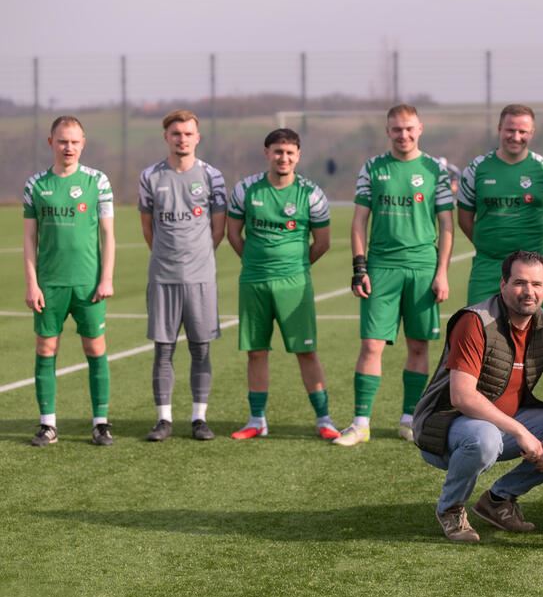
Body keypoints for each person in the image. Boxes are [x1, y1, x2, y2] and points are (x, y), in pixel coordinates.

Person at [413, 250, 543, 542]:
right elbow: (462, 396)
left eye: (537, 284)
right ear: (502, 284)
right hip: (447, 425)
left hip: (504, 422)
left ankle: (499, 500)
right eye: (520, 283)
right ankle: (450, 509)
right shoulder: (476, 321)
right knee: (484, 438)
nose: (529, 292)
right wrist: (519, 430)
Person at [337, 104, 455, 446]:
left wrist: (442, 272)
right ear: (387, 131)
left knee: (418, 346)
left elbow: (446, 225)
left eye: (409, 129)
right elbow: (359, 220)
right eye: (396, 129)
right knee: (371, 344)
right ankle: (361, 423)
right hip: (382, 267)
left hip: (422, 267)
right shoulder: (373, 168)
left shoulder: (434, 170)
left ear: (420, 129)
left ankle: (409, 419)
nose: (403, 135)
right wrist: (360, 266)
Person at [226, 128, 338, 441]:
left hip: (294, 283)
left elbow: (323, 242)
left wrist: (296, 265)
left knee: (307, 352)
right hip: (254, 282)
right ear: (267, 153)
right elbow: (233, 235)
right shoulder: (246, 189)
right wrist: (254, 262)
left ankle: (324, 419)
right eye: (277, 152)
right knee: (256, 352)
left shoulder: (311, 193)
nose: (283, 158)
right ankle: (256, 420)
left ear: (298, 155)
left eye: (289, 153)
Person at [23, 116, 116, 447]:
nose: (69, 147)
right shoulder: (36, 184)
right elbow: (29, 239)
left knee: (95, 348)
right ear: (51, 142)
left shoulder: (98, 181)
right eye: (63, 141)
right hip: (49, 284)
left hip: (88, 284)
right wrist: (32, 283)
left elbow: (108, 235)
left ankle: (100, 423)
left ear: (83, 143)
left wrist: (106, 278)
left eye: (75, 141)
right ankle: (48, 424)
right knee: (46, 348)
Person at [138, 109, 227, 441]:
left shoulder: (212, 176)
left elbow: (217, 230)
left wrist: (198, 258)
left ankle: (199, 418)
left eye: (188, 134)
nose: (182, 139)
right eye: (176, 133)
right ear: (166, 137)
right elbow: (148, 227)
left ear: (197, 137)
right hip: (163, 276)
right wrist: (167, 256)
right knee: (163, 349)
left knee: (201, 349)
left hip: (201, 278)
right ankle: (164, 419)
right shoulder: (150, 176)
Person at [458, 104, 543, 306]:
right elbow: (464, 219)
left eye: (522, 131)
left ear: (532, 133)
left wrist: (533, 251)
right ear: (499, 129)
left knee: (530, 335)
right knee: (479, 329)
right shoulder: (476, 169)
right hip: (488, 265)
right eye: (510, 130)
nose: (515, 136)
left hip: (532, 269)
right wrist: (488, 245)